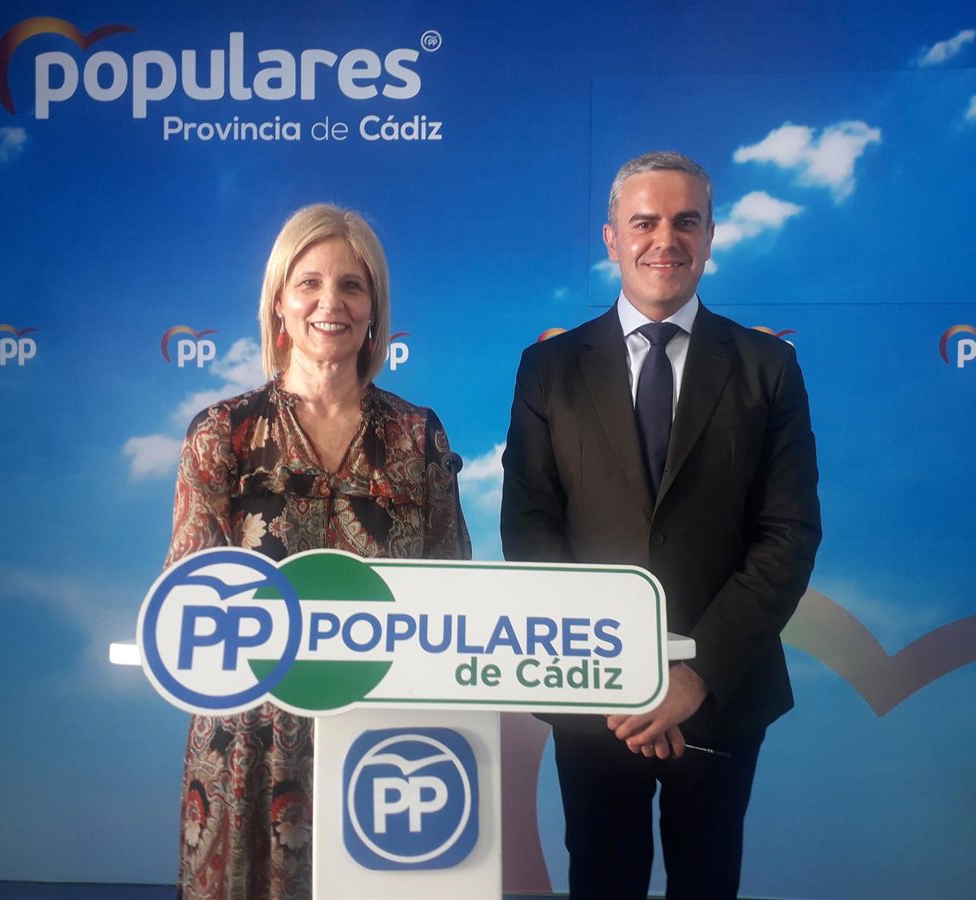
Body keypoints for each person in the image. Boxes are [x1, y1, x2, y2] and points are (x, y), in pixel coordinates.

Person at [501, 151, 821, 900]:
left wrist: (695, 676)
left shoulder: (768, 367)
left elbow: (788, 533)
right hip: (595, 700)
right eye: (644, 222)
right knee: (601, 880)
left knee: (706, 883)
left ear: (710, 236)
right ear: (612, 237)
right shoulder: (548, 370)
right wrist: (619, 678)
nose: (664, 240)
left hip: (723, 694)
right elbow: (532, 530)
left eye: (686, 221)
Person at [166, 203, 471, 899]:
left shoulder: (418, 436)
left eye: (351, 285)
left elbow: (454, 585)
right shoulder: (222, 434)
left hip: (384, 744)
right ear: (279, 301)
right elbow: (187, 599)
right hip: (247, 747)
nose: (330, 302)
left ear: (374, 310)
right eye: (308, 282)